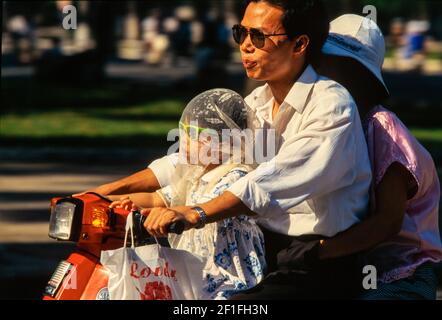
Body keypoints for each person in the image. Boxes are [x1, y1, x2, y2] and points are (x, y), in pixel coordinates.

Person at [78, 0, 372, 299]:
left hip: (315, 261)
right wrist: (103, 193)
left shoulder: (330, 104)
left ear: (299, 44)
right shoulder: (256, 103)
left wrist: (196, 213)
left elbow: (276, 179)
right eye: (240, 33)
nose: (245, 45)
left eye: (258, 37)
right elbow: (189, 158)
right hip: (258, 250)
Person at [313, 14, 442, 300]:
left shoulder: (380, 129)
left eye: (328, 64)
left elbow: (388, 221)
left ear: (359, 75)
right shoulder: (333, 124)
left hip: (403, 271)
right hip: (356, 264)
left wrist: (319, 251)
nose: (317, 72)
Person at [108, 89, 266, 300]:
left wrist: (164, 213)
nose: (183, 141)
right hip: (193, 276)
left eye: (193, 134)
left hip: (226, 280)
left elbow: (193, 210)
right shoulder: (197, 174)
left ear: (223, 143)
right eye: (183, 131)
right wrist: (112, 201)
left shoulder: (236, 177)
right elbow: (157, 199)